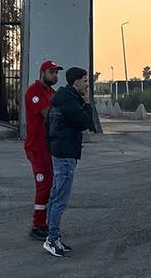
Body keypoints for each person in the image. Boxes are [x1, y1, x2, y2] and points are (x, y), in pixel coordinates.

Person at [43, 66, 96, 257]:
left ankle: (51, 235)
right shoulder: (71, 102)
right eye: (85, 81)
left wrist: (52, 144)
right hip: (65, 153)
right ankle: (52, 239)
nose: (87, 85)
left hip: (59, 150)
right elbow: (84, 123)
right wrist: (87, 103)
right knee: (60, 198)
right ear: (76, 82)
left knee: (55, 194)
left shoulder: (59, 99)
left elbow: (47, 124)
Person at [24, 60, 63, 240]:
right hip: (37, 146)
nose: (55, 76)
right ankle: (37, 225)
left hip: (49, 145)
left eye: (56, 73)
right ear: (42, 73)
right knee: (44, 185)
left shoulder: (52, 93)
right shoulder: (34, 92)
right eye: (51, 72)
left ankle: (45, 223)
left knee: (51, 184)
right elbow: (48, 114)